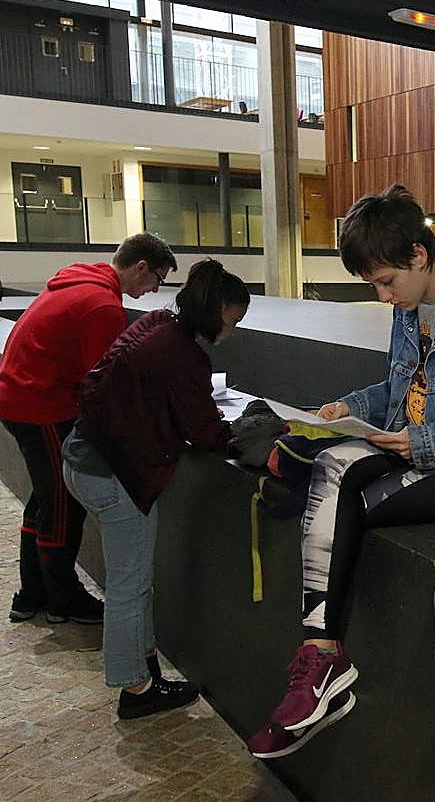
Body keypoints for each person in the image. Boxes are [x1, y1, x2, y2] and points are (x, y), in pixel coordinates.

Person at [248, 184, 435, 758]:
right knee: (332, 467)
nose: (381, 296)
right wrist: (351, 406)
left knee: (332, 483)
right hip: (407, 447)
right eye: (373, 284)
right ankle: (322, 655)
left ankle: (322, 658)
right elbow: (404, 390)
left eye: (385, 281)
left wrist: (425, 438)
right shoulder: (412, 304)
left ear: (419, 255)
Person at [61, 259, 249, 720]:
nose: (234, 330)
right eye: (234, 320)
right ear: (217, 310)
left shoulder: (155, 325)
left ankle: (143, 668)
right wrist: (247, 432)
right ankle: (137, 688)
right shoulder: (182, 354)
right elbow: (206, 432)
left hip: (83, 457)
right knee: (131, 587)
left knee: (134, 584)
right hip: (116, 477)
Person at [0, 233, 176, 624]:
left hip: (19, 396)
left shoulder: (82, 279)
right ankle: (63, 599)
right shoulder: (101, 305)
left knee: (46, 498)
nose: (154, 290)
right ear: (140, 267)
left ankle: (31, 594)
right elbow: (101, 383)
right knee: (62, 504)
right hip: (40, 404)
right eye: (157, 280)